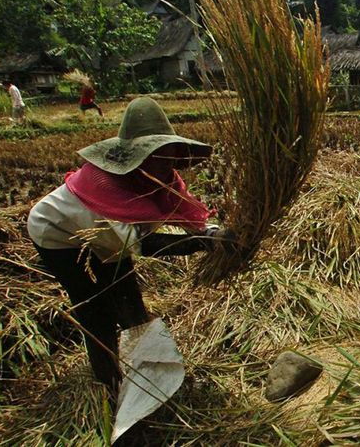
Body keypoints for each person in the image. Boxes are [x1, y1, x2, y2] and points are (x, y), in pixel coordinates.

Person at [27, 97, 234, 395]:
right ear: (135, 157)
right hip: (58, 234)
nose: (166, 166)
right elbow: (139, 244)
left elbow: (187, 215)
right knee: (95, 308)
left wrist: (215, 233)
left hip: (109, 238)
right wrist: (203, 242)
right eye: (156, 157)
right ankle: (108, 384)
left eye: (170, 157)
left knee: (130, 300)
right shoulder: (106, 189)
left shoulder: (162, 180)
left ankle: (151, 379)